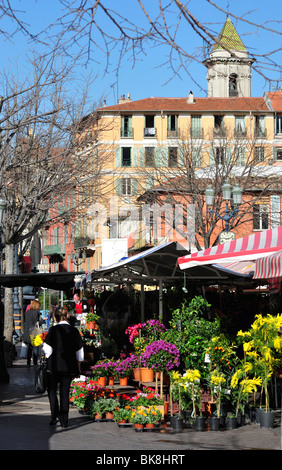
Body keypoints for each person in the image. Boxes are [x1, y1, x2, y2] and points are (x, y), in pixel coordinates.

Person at [42, 307, 84, 428]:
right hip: (69, 366)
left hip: (54, 367)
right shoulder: (74, 331)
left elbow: (47, 350)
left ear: (55, 317)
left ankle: (54, 415)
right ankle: (64, 419)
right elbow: (79, 351)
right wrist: (79, 366)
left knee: (52, 390)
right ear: (66, 316)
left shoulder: (53, 330)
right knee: (65, 392)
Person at [23, 299, 42, 366]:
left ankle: (28, 362)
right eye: (38, 306)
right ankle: (35, 362)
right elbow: (36, 322)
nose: (39, 307)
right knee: (35, 347)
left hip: (28, 332)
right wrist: (42, 321)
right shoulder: (35, 312)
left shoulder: (27, 312)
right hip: (34, 332)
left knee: (29, 348)